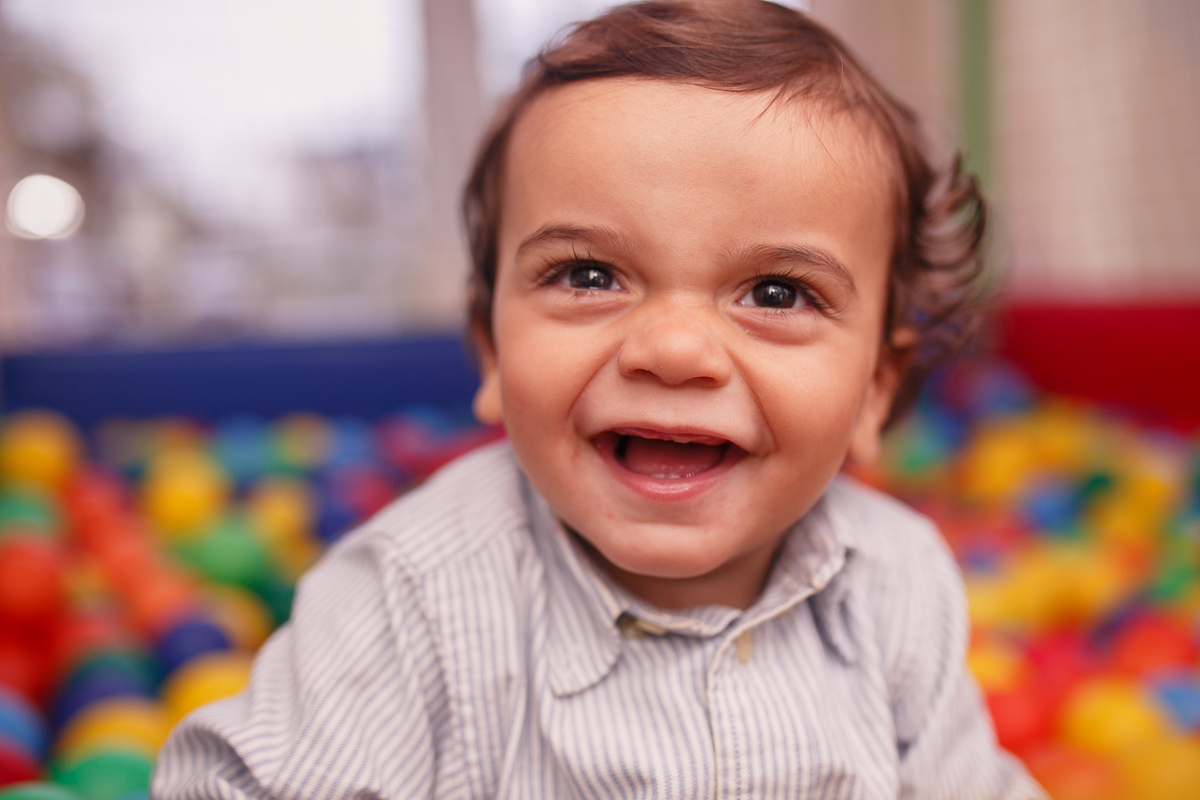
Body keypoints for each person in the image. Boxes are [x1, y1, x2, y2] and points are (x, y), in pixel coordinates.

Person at [153, 2, 1045, 797]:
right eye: (589, 274)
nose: (674, 350)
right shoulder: (414, 596)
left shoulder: (894, 586)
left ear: (873, 393)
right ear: (492, 351)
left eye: (775, 293)